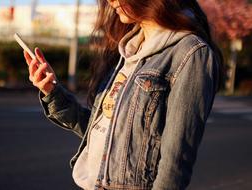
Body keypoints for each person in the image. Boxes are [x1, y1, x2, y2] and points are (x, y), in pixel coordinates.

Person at [23, 0, 223, 189]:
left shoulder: (190, 53)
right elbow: (105, 133)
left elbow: (175, 163)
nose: (110, 2)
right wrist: (51, 90)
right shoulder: (128, 50)